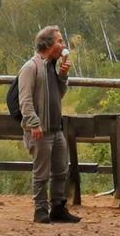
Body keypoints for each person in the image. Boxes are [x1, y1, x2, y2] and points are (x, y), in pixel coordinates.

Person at [18, 25, 80, 224]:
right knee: (41, 172)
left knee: (61, 170)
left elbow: (58, 95)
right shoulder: (31, 67)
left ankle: (58, 208)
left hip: (56, 127)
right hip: (40, 130)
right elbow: (25, 100)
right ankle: (40, 210)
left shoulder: (51, 67)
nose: (63, 44)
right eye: (59, 41)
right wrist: (34, 123)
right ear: (48, 44)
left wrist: (63, 76)